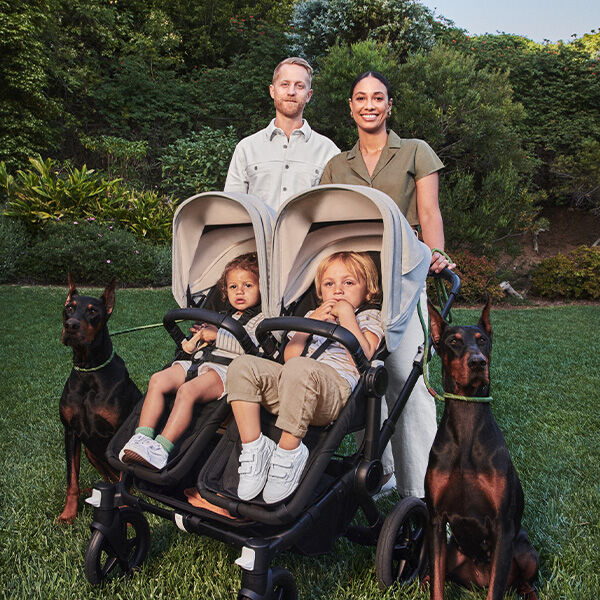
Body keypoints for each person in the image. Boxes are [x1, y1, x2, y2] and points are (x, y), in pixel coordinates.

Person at [320, 71, 455, 499]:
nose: (369, 105)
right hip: (358, 281)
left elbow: (429, 211)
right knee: (365, 376)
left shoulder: (416, 151)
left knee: (404, 379)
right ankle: (381, 473)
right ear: (351, 106)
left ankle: (422, 492)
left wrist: (434, 254)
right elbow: (328, 227)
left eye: (378, 97)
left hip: (405, 274)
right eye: (361, 98)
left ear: (389, 105)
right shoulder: (337, 165)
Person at [226, 251, 383, 504]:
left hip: (332, 392)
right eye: (329, 284)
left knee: (300, 369)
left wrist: (346, 316)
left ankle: (289, 453)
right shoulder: (313, 314)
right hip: (293, 384)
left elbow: (364, 355)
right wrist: (306, 325)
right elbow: (291, 355)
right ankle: (255, 447)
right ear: (320, 291)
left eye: (349, 283)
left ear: (368, 291)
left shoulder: (369, 316)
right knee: (242, 366)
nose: (338, 290)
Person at [119, 253, 263, 471]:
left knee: (186, 391)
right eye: (233, 287)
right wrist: (194, 341)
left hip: (227, 371)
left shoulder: (261, 320)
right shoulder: (223, 314)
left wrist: (217, 336)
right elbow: (194, 346)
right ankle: (142, 438)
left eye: (248, 285)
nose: (239, 291)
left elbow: (253, 348)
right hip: (201, 362)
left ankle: (161, 448)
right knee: (158, 379)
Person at [224, 57, 339, 211]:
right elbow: (232, 209)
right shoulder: (246, 149)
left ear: (309, 95)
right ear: (273, 90)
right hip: (256, 236)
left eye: (299, 86)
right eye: (285, 84)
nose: (291, 92)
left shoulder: (329, 152)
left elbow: (332, 211)